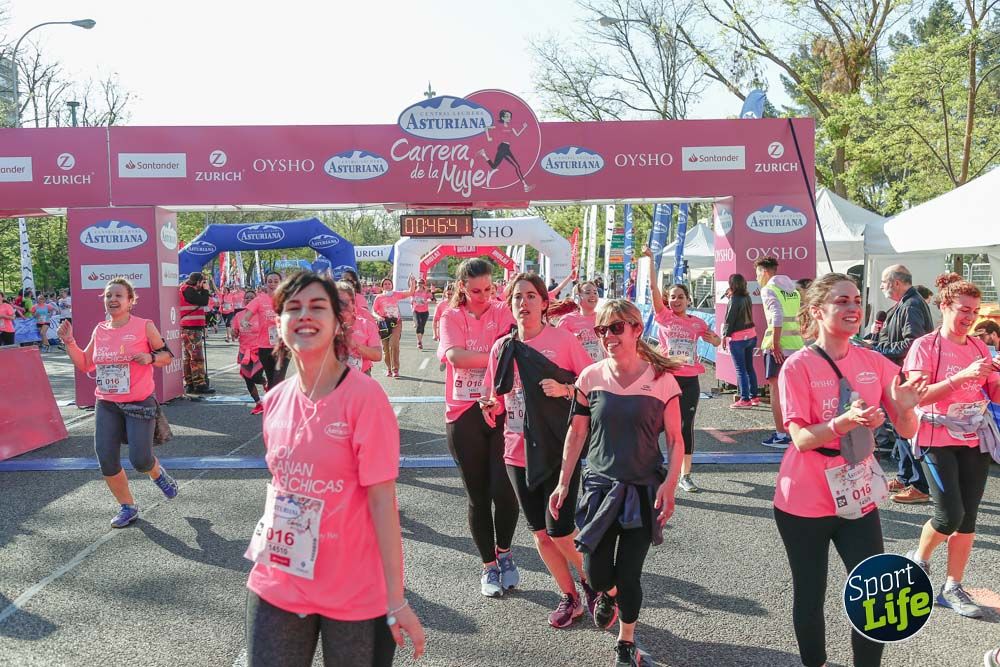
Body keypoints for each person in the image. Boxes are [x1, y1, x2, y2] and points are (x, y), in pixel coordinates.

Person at [244, 272, 425, 666]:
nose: (304, 315)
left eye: (317, 306)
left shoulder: (365, 398)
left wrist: (396, 597)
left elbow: (383, 503)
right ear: (278, 322)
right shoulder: (275, 400)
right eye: (292, 308)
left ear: (337, 322)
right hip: (280, 579)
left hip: (353, 589)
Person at [774, 273, 926, 667]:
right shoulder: (798, 365)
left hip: (856, 494)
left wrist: (906, 406)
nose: (853, 307)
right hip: (804, 498)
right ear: (817, 311)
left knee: (876, 591)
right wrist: (845, 421)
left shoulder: (873, 361)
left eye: (857, 299)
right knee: (810, 591)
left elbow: (907, 429)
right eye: (842, 301)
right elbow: (801, 438)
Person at [549, 299, 684, 667]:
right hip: (599, 489)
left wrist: (670, 485)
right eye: (602, 329)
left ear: (637, 329)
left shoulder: (662, 380)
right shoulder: (590, 377)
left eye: (616, 327)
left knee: (630, 572)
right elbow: (576, 435)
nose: (608, 336)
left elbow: (675, 440)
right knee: (595, 571)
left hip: (642, 490)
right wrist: (563, 483)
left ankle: (626, 640)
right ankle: (607, 594)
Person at [481, 273, 597, 627]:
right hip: (516, 451)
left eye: (531, 296)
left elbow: (593, 382)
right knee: (540, 534)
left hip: (556, 449)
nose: (524, 303)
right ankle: (570, 597)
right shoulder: (501, 347)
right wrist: (489, 407)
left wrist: (564, 389)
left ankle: (596, 586)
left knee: (560, 529)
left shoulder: (562, 340)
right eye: (517, 297)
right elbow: (495, 397)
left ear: (545, 303)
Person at [899, 273, 1000, 619]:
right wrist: (961, 377)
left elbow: (992, 389)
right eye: (963, 310)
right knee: (949, 515)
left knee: (968, 518)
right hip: (936, 437)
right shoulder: (925, 346)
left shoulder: (976, 346)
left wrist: (995, 377)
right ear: (944, 306)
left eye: (974, 311)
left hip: (974, 437)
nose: (969, 317)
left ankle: (953, 586)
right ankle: (921, 559)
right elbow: (916, 396)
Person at [57, 278, 180, 527]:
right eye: (108, 296)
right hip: (107, 403)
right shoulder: (100, 330)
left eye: (118, 296)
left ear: (130, 301)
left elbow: (167, 356)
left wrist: (150, 357)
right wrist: (69, 342)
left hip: (139, 403)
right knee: (106, 458)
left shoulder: (144, 326)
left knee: (141, 460)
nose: (112, 300)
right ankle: (127, 506)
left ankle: (157, 473)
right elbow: (84, 364)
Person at [437, 258, 521, 597]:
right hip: (463, 412)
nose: (483, 296)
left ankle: (505, 553)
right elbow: (455, 356)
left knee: (505, 490)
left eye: (488, 289)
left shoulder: (502, 311)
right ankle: (488, 566)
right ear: (461, 288)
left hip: (501, 410)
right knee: (478, 495)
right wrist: (497, 354)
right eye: (475, 290)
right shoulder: (450, 316)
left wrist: (489, 355)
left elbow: (517, 346)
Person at [645, 253, 721, 492]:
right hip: (666, 378)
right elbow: (652, 287)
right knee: (654, 424)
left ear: (689, 299)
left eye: (681, 297)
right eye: (672, 297)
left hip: (689, 381)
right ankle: (649, 467)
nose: (676, 300)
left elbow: (717, 342)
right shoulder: (663, 316)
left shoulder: (698, 322)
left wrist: (715, 339)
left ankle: (685, 475)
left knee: (685, 426)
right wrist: (650, 261)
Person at [864, 264, 934, 504]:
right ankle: (906, 477)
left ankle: (919, 485)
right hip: (899, 375)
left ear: (895, 282)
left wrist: (876, 348)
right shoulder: (905, 304)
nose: (882, 287)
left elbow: (912, 343)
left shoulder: (912, 305)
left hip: (907, 378)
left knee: (908, 431)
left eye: (883, 282)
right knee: (900, 431)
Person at [756, 256, 805, 448]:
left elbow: (777, 316)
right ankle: (795, 430)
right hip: (796, 345)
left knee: (775, 391)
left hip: (778, 347)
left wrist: (775, 344)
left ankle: (781, 435)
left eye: (758, 273)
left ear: (765, 272)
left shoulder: (769, 289)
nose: (758, 277)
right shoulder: (793, 290)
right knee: (792, 392)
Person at [245, 271, 288, 390]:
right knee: (271, 378)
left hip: (283, 345)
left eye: (276, 281)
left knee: (279, 379)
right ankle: (274, 404)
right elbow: (246, 317)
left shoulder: (287, 300)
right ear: (265, 283)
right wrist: (245, 323)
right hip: (264, 346)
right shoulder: (259, 300)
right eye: (270, 281)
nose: (272, 284)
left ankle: (279, 406)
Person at [721, 273, 759, 408]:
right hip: (751, 336)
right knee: (749, 368)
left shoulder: (735, 299)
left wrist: (724, 336)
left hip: (738, 339)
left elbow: (729, 319)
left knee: (740, 370)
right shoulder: (747, 297)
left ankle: (745, 399)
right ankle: (754, 397)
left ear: (731, 285)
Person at [477, 109, 535, 193]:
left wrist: (523, 127)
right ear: (502, 117)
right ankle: (525, 186)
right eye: (507, 116)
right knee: (517, 166)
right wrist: (488, 137)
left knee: (494, 166)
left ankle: (483, 154)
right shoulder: (499, 125)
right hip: (503, 147)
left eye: (510, 116)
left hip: (506, 148)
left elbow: (517, 134)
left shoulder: (510, 126)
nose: (509, 118)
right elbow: (486, 128)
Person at [178, 272, 214, 394]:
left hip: (190, 327)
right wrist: (206, 291)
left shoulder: (186, 289)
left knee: (189, 357)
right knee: (196, 357)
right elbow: (203, 301)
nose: (203, 285)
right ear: (198, 281)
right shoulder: (187, 290)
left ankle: (190, 383)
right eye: (202, 282)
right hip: (190, 328)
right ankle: (199, 384)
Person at [373, 276, 416, 377]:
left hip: (396, 323)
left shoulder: (396, 294)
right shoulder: (379, 298)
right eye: (385, 284)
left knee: (394, 345)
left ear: (392, 285)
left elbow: (410, 292)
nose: (387, 286)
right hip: (384, 324)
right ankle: (389, 368)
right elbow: (373, 311)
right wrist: (378, 317)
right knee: (386, 349)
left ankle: (395, 369)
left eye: (389, 284)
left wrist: (412, 282)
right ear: (382, 286)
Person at [551, 281, 605, 363]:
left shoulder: (603, 317)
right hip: (576, 371)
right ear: (577, 298)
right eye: (588, 292)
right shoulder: (567, 320)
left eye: (595, 292)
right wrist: (572, 340)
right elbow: (557, 347)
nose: (593, 295)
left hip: (600, 368)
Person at [336, 281, 382, 375]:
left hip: (362, 375)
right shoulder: (325, 326)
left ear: (353, 303)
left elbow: (377, 355)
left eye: (344, 302)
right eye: (337, 302)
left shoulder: (367, 325)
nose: (341, 306)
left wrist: (354, 345)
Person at [233, 290, 266, 415]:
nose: (249, 299)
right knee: (248, 379)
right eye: (247, 298)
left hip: (259, 350)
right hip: (244, 351)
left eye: (252, 297)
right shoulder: (239, 315)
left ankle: (265, 383)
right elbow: (235, 333)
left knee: (256, 376)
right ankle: (258, 403)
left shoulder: (261, 314)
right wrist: (234, 333)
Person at [410, 278, 433, 351]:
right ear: (417, 284)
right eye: (419, 283)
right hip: (416, 311)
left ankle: (420, 340)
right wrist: (413, 300)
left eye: (421, 283)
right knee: (419, 324)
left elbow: (432, 299)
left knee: (422, 326)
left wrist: (427, 301)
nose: (420, 284)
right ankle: (419, 342)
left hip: (425, 311)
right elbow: (411, 299)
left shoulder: (426, 291)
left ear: (424, 284)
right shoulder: (414, 291)